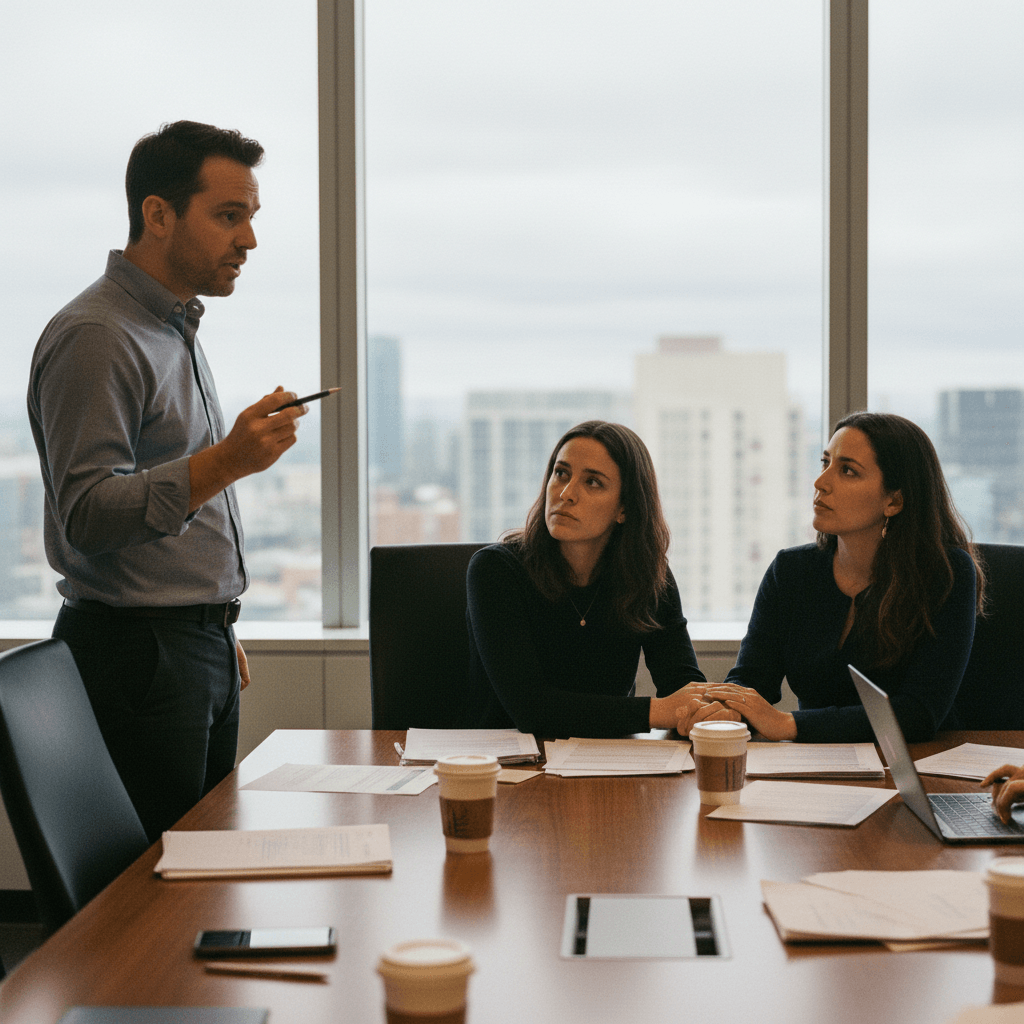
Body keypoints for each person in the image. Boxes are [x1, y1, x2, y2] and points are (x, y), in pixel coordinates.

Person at [27, 120, 308, 840]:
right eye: (228, 216)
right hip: (138, 659)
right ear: (158, 214)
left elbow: (168, 492)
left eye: (249, 217)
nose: (248, 240)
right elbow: (87, 513)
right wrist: (233, 458)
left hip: (192, 646)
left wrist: (207, 616)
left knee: (200, 874)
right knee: (152, 899)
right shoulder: (100, 336)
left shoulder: (171, 328)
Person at [695, 411, 983, 744]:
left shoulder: (945, 574)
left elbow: (919, 712)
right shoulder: (791, 571)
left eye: (847, 471)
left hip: (920, 764)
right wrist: (725, 710)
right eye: (825, 462)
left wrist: (789, 724)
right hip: (816, 766)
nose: (821, 482)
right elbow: (752, 679)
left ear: (894, 500)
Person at [466, 420, 737, 737]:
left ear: (624, 508)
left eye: (592, 482)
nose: (566, 494)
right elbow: (533, 710)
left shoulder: (648, 575)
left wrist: (707, 709)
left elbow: (681, 683)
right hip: (505, 768)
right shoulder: (496, 570)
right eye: (561, 473)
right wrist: (660, 711)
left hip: (606, 763)